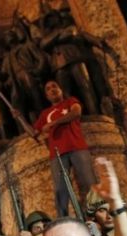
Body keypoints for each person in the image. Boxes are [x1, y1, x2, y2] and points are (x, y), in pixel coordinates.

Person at [32, 80, 96, 217]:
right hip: (57, 154)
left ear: (61, 89)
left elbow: (76, 113)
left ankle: (99, 213)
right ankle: (64, 220)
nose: (52, 89)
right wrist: (18, 117)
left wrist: (54, 123)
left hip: (77, 147)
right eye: (48, 89)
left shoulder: (70, 101)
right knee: (61, 190)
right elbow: (34, 133)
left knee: (90, 183)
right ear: (47, 96)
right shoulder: (45, 114)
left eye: (54, 86)